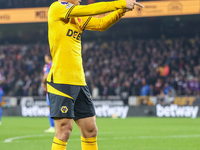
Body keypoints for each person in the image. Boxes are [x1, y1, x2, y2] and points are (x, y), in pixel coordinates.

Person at [47, 0, 143, 150]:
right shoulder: (57, 8)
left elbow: (101, 24)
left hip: (79, 81)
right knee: (64, 130)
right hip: (61, 81)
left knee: (90, 130)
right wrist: (121, 3)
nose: (80, 0)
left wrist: (121, 10)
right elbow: (91, 9)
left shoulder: (78, 17)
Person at [41, 54, 55, 133]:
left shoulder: (48, 66)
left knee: (51, 108)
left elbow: (46, 76)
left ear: (47, 57)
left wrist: (42, 83)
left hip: (50, 89)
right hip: (59, 89)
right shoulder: (57, 64)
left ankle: (52, 127)